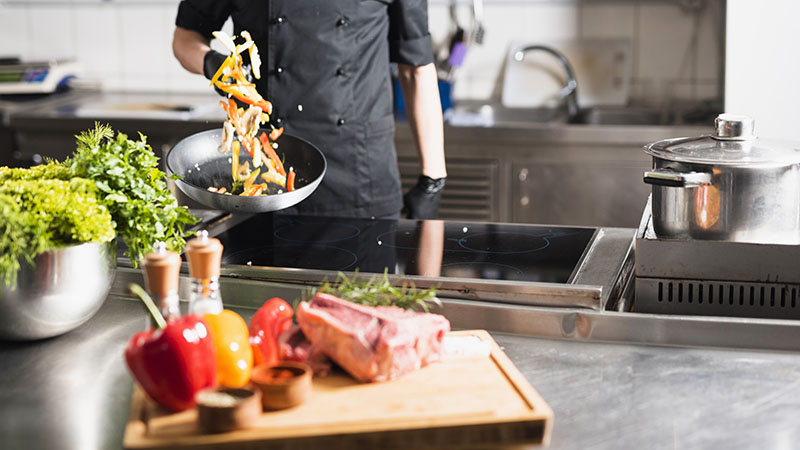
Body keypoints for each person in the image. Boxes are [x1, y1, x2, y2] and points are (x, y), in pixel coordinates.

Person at [172, 0, 447, 219]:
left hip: (360, 179)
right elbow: (184, 39)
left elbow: (416, 68)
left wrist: (432, 179)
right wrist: (214, 65)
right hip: (262, 182)